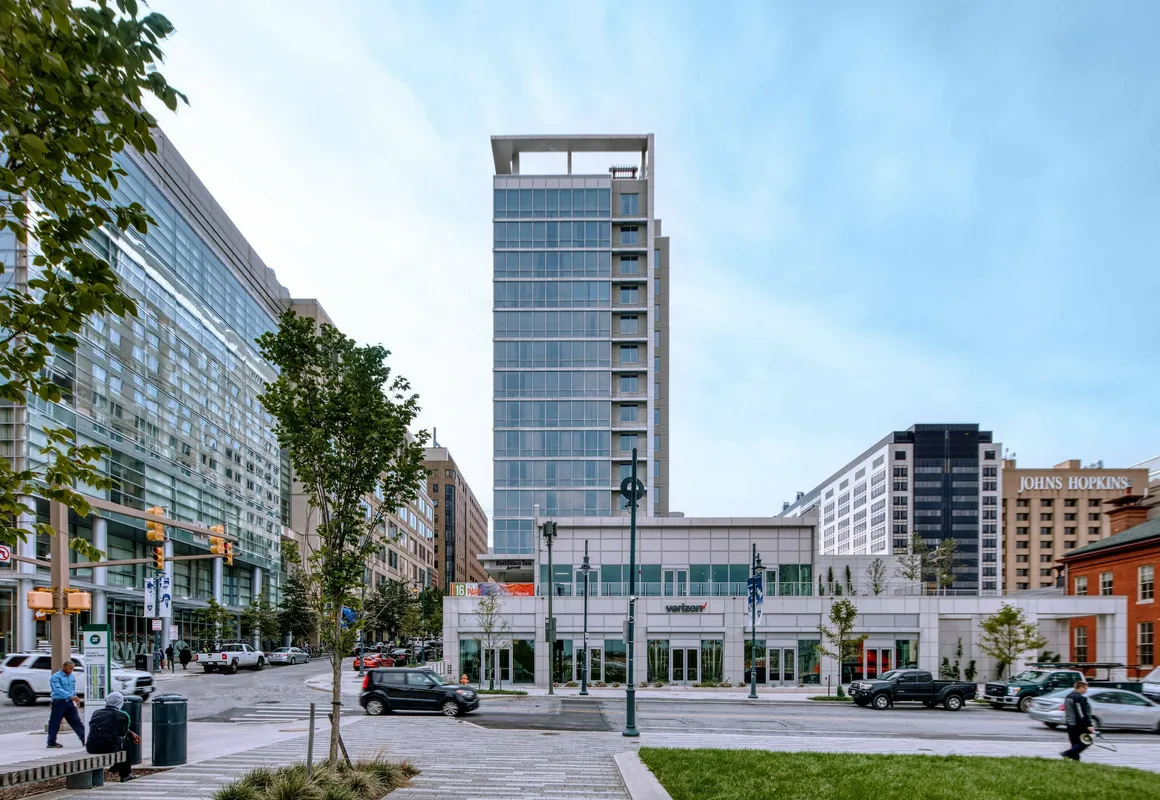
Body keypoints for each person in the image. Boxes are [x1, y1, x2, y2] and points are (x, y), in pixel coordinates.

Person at [86, 692, 139, 782]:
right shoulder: (122, 715)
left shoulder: (96, 713)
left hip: (91, 747)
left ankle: (116, 767)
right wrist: (129, 733)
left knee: (117, 741)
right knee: (124, 742)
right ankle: (126, 774)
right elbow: (123, 734)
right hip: (109, 747)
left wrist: (130, 732)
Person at [46, 660, 85, 748]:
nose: (71, 670)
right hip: (59, 702)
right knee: (55, 722)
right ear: (64, 667)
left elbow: (72, 689)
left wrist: (75, 698)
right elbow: (57, 689)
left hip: (70, 702)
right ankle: (51, 742)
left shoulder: (71, 677)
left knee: (76, 721)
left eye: (72, 669)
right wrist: (70, 696)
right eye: (70, 668)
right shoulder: (56, 677)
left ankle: (84, 739)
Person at [1062, 680, 1096, 761]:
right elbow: (1082, 713)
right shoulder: (1080, 698)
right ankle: (1067, 753)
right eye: (1085, 688)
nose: (1086, 690)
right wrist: (1089, 725)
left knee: (1075, 743)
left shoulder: (1068, 696)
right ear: (1080, 687)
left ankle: (1076, 761)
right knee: (1087, 741)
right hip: (1078, 724)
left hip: (1069, 723)